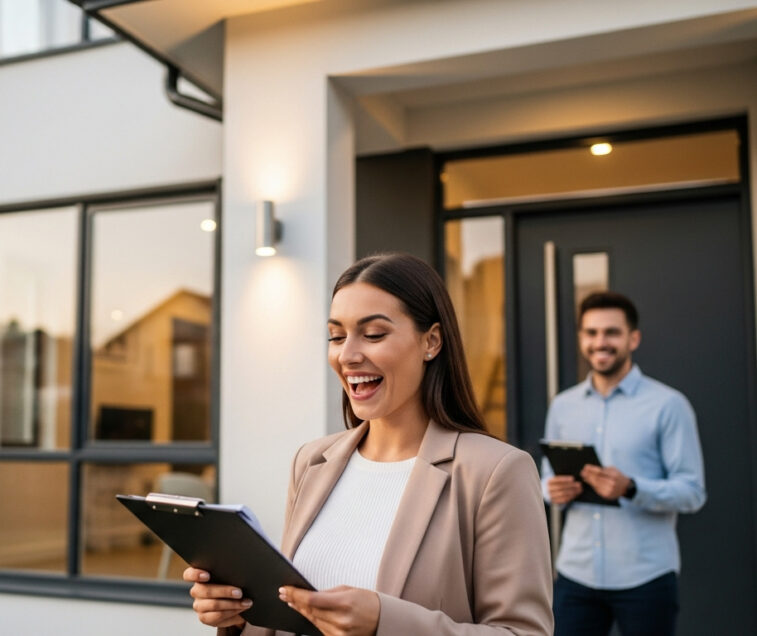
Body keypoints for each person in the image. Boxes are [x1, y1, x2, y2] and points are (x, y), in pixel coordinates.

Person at [185, 253, 553, 635]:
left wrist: (385, 622)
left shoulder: (495, 472)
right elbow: (290, 613)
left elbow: (524, 632)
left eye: (374, 334)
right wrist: (240, 615)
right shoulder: (312, 462)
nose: (348, 355)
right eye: (336, 336)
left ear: (431, 341)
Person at [541, 291, 706, 636]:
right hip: (575, 575)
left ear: (633, 338)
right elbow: (546, 478)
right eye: (591, 333)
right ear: (582, 339)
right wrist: (550, 490)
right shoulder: (563, 406)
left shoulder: (668, 406)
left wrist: (631, 487)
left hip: (644, 578)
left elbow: (692, 491)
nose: (600, 342)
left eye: (611, 332)